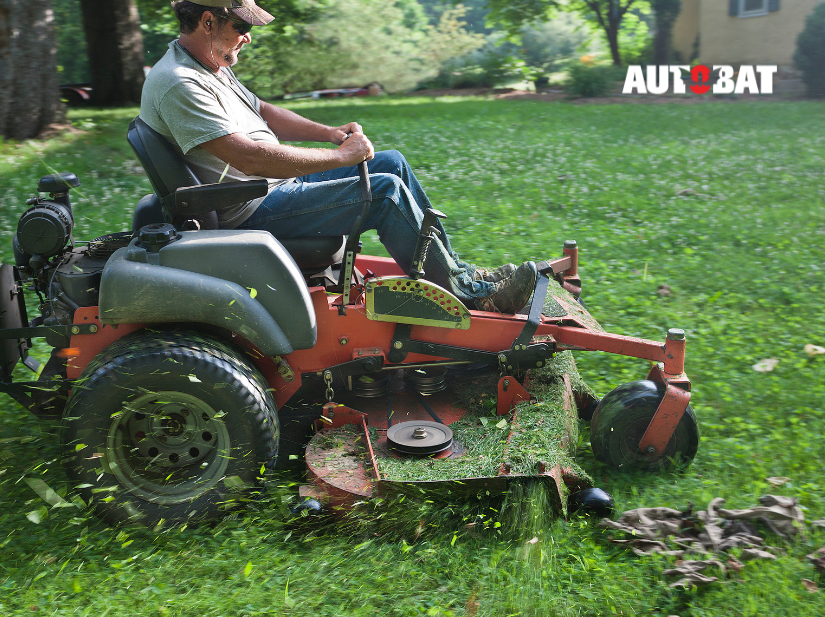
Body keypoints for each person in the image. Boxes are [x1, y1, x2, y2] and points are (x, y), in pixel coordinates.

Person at [140, 0, 537, 313]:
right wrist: (342, 157)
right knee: (385, 193)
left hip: (271, 187)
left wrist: (329, 134)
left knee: (391, 162)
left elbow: (262, 111)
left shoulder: (209, 65)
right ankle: (470, 296)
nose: (247, 38)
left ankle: (458, 272)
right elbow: (250, 160)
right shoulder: (180, 83)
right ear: (208, 22)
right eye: (242, 27)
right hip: (250, 206)